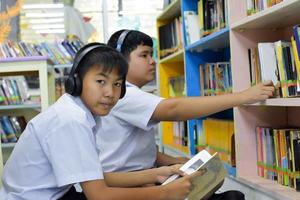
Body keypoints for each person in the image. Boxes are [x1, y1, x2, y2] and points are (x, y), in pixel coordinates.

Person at [0, 43, 198, 200]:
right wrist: (165, 193)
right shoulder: (71, 119)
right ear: (76, 81)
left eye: (117, 84)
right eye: (100, 81)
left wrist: (156, 174)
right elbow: (99, 194)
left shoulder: (81, 112)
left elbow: (94, 176)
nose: (110, 93)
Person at [97, 29, 275, 174]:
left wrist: (175, 161)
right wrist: (242, 97)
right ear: (120, 61)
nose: (153, 62)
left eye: (152, 55)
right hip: (127, 185)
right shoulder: (122, 94)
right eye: (144, 55)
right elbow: (173, 109)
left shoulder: (129, 92)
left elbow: (136, 152)